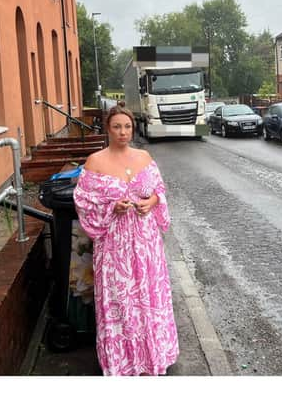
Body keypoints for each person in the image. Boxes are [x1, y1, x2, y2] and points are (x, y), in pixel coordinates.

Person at [73, 105, 179, 376]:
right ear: (107, 128)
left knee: (149, 296)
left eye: (127, 127)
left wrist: (152, 202)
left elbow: (159, 190)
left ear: (133, 128)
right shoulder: (95, 161)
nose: (123, 132)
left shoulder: (144, 156)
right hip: (114, 246)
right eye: (117, 126)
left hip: (146, 243)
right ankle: (123, 361)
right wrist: (112, 208)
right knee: (121, 301)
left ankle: (153, 354)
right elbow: (83, 201)